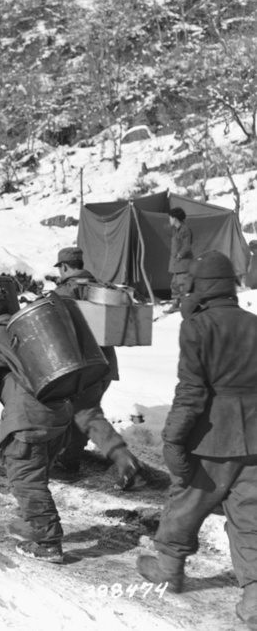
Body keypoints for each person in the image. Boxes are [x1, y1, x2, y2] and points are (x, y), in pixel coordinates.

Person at [138, 251, 257, 625]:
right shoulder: (254, 323)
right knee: (250, 516)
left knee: (186, 502)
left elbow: (191, 392)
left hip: (212, 437)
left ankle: (169, 570)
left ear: (200, 285)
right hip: (255, 437)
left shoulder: (198, 326)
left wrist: (173, 438)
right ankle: (254, 602)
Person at [0, 283, 73, 563]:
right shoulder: (30, 327)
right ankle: (29, 523)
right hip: (59, 412)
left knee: (26, 480)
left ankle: (47, 542)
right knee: (36, 474)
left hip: (28, 419)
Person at [52, 247, 141, 488]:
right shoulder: (102, 289)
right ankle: (70, 459)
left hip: (83, 368)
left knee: (86, 413)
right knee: (81, 410)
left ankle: (124, 459)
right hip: (106, 367)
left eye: (60, 269)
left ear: (65, 267)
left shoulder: (63, 294)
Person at [166, 207, 193, 314]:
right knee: (174, 285)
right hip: (176, 264)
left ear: (175, 218)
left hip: (183, 264)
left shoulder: (185, 230)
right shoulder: (176, 231)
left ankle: (186, 307)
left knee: (183, 286)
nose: (169, 220)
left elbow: (187, 246)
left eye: (170, 218)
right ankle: (176, 304)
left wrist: (180, 255)